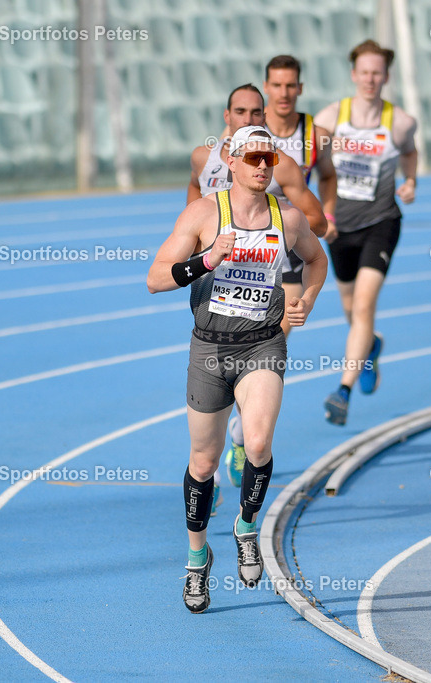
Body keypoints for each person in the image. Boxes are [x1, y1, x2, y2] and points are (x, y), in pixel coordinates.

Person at [149, 126, 327, 613]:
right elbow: (155, 278)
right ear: (231, 161)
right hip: (209, 348)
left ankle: (246, 526)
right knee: (204, 463)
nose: (261, 166)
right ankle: (196, 559)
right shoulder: (205, 213)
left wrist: (306, 300)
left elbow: (317, 259)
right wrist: (205, 260)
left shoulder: (286, 219)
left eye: (268, 157)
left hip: (261, 344)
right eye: (251, 158)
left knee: (259, 441)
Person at [188, 83, 327, 492]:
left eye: (255, 113)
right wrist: (200, 237)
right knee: (206, 414)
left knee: (260, 356)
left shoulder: (278, 164)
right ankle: (212, 461)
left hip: (270, 274)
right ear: (226, 117)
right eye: (240, 112)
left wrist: (292, 224)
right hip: (216, 280)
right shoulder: (202, 157)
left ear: (263, 118)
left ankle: (246, 435)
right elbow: (194, 197)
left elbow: (313, 219)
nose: (248, 119)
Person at [312, 39, 418, 426]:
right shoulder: (330, 118)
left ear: (386, 76)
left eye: (377, 72)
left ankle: (343, 390)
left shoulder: (400, 122)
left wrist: (411, 181)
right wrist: (320, 210)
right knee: (348, 309)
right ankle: (370, 345)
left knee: (363, 307)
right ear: (354, 75)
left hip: (382, 222)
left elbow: (409, 151)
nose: (370, 79)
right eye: (364, 72)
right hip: (339, 227)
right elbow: (308, 158)